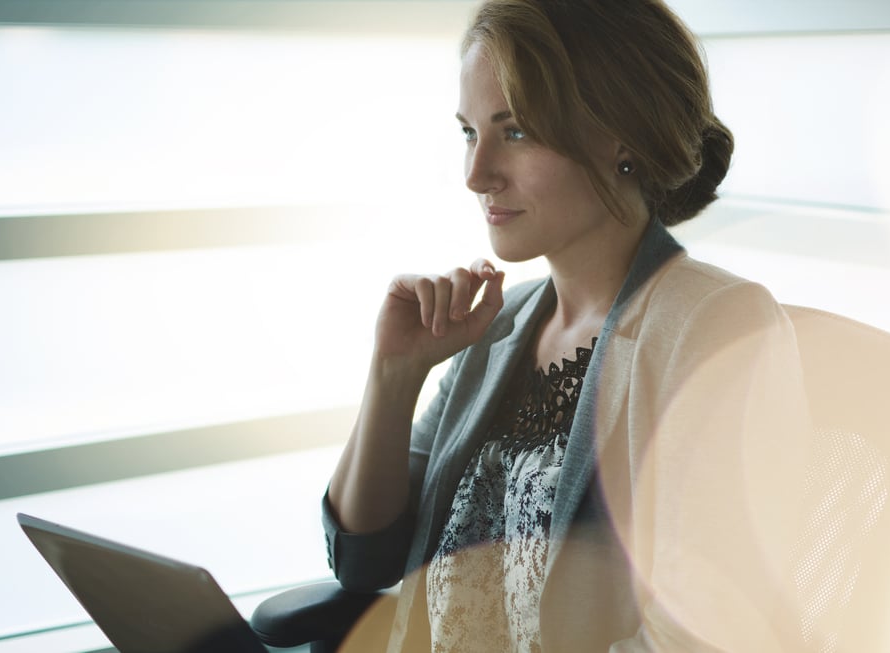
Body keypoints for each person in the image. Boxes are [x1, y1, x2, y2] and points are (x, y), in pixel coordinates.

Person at [323, 0, 811, 650]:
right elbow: (364, 556)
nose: (476, 174)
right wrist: (394, 371)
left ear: (624, 136)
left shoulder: (714, 326)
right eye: (470, 131)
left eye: (515, 130)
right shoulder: (499, 324)